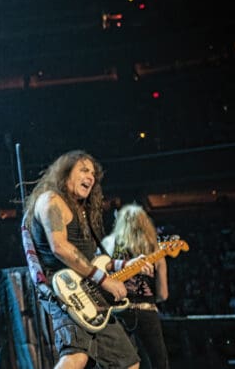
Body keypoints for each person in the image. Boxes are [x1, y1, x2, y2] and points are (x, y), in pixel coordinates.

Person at [22, 150, 146, 369]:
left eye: (93, 174)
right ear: (65, 173)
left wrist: (126, 265)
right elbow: (60, 247)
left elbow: (92, 259)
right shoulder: (51, 200)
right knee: (76, 357)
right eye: (84, 170)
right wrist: (104, 280)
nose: (90, 177)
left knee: (128, 363)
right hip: (65, 290)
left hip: (91, 294)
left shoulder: (81, 210)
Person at [102, 204, 170, 369]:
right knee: (158, 362)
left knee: (125, 363)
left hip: (118, 312)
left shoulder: (109, 244)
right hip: (147, 311)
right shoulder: (155, 251)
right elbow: (163, 294)